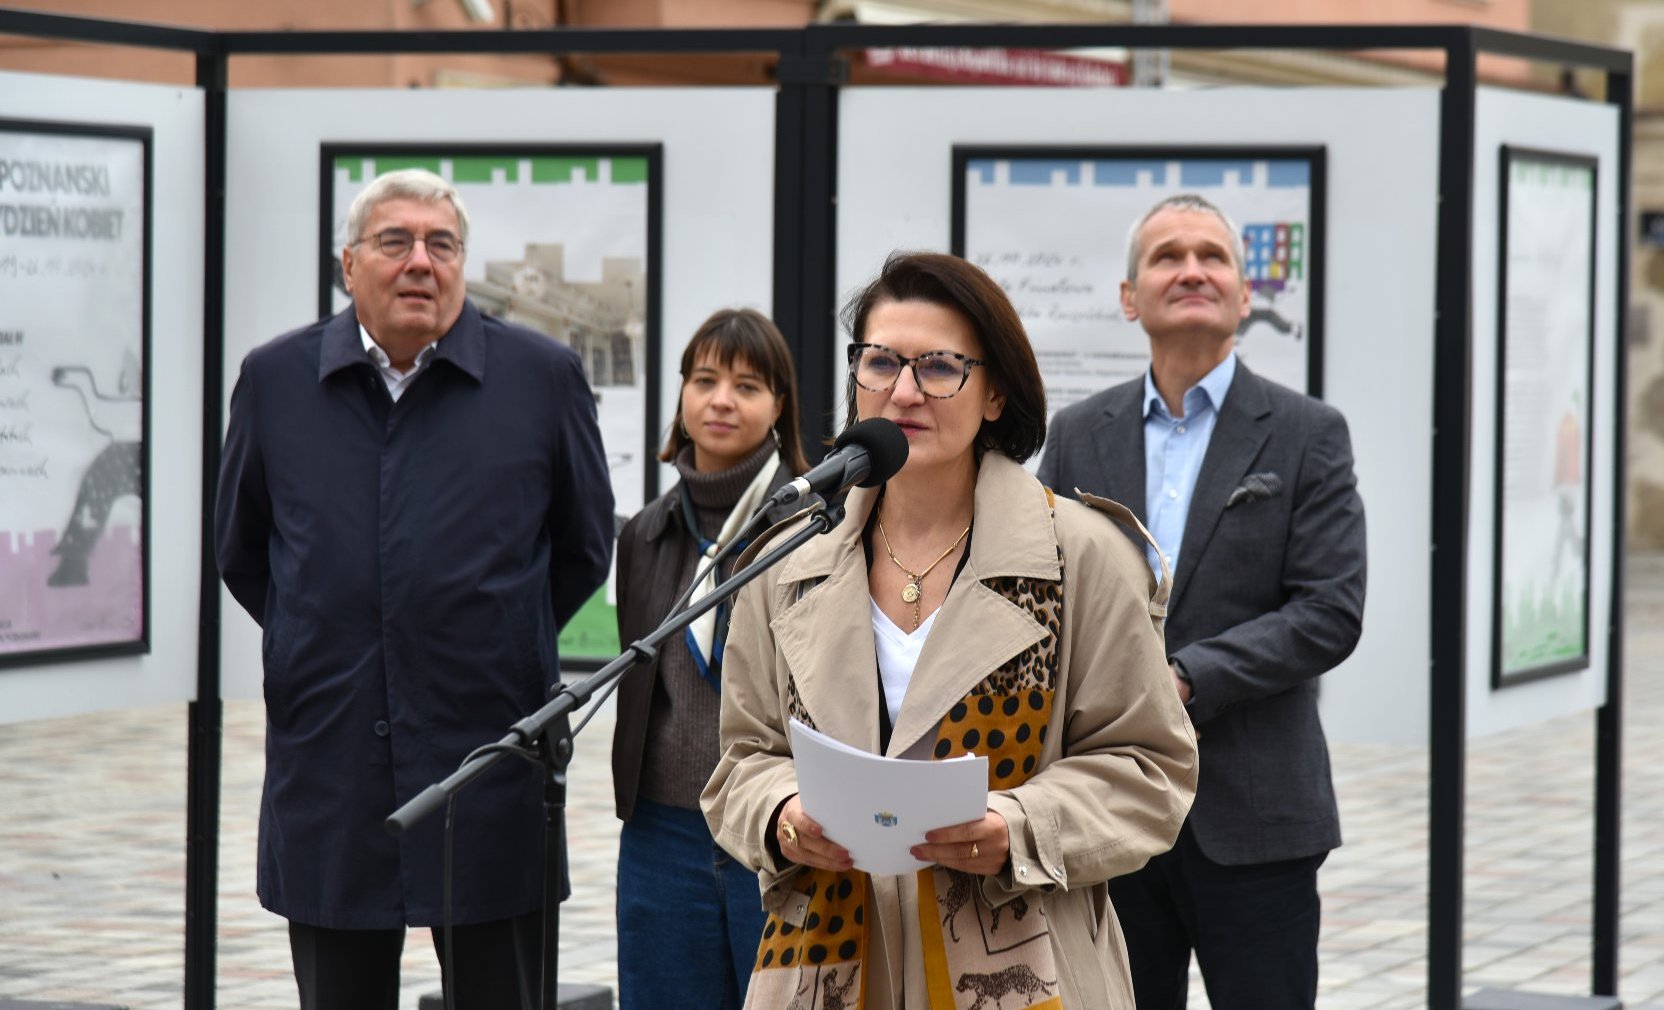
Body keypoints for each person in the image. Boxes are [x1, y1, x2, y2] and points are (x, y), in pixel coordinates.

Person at [701, 251, 1198, 1010]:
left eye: (938, 367)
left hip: (1022, 964)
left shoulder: (1081, 555)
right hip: (826, 967)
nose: (903, 391)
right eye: (879, 362)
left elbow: (1150, 767)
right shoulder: (788, 558)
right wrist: (780, 815)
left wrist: (1019, 824)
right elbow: (742, 759)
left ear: (995, 391)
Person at [215, 168, 614, 1010]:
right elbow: (245, 554)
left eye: (442, 245)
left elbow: (581, 547)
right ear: (348, 263)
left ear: (463, 264)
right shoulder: (276, 380)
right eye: (395, 242)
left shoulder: (541, 379)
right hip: (333, 756)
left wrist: (490, 632)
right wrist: (327, 635)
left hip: (489, 751)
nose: (420, 263)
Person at [1036, 193, 1367, 1010]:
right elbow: (1034, 593)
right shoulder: (1079, 433)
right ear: (1129, 296)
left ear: (1245, 296)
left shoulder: (1306, 431)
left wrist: (1183, 677)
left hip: (1255, 814)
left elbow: (1329, 609)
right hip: (1107, 804)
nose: (1191, 270)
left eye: (1213, 256)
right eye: (1167, 256)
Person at [611, 308, 811, 1009]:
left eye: (747, 385)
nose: (721, 400)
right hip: (662, 830)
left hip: (780, 828)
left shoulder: (815, 529)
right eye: (704, 380)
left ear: (779, 406)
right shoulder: (643, 534)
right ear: (682, 398)